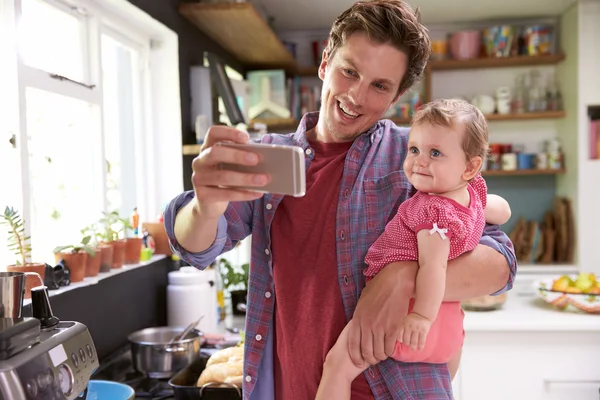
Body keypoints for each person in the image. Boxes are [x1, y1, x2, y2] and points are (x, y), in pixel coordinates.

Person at [164, 1, 517, 399]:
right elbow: (193, 246)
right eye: (349, 71)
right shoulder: (268, 159)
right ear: (325, 62)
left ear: (397, 96)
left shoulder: (419, 157)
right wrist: (205, 206)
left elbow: (500, 264)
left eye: (380, 86)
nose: (356, 95)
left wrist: (400, 277)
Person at [315, 99, 511, 400]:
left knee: (337, 366)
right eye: (414, 150)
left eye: (435, 153)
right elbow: (502, 211)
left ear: (470, 166)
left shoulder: (431, 211)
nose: (420, 161)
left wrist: (420, 316)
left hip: (400, 320)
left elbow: (434, 267)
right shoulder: (472, 194)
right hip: (449, 332)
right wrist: (483, 210)